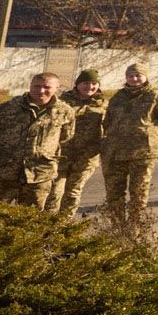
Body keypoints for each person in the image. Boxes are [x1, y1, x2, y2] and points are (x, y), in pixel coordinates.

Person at [0, 71, 73, 209]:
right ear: (30, 86)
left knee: (30, 220)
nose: (41, 91)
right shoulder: (5, 109)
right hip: (3, 173)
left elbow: (65, 136)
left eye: (47, 87)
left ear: (57, 88)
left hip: (39, 175)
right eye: (36, 86)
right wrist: (5, 149)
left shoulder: (64, 112)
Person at [100, 63, 158, 230]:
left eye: (138, 76)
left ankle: (135, 227)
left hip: (142, 152)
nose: (134, 79)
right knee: (114, 193)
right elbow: (108, 120)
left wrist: (153, 138)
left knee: (138, 192)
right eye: (130, 76)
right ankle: (117, 227)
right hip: (115, 152)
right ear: (126, 77)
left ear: (146, 77)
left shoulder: (156, 96)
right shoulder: (118, 96)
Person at [55, 69, 107, 217]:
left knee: (73, 192)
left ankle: (64, 224)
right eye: (85, 83)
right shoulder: (62, 101)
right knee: (55, 191)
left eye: (94, 84)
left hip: (86, 158)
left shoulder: (104, 105)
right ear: (77, 84)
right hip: (61, 155)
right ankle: (48, 224)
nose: (89, 87)